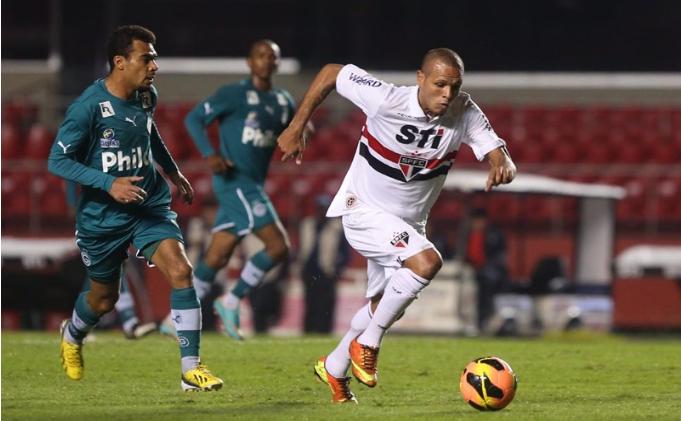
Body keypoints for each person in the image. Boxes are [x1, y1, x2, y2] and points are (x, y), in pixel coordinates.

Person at [278, 48, 516, 403]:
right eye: (439, 85)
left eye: (454, 86)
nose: (446, 94)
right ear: (420, 78)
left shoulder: (463, 109)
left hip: (408, 225)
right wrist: (296, 125)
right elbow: (331, 71)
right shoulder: (385, 98)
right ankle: (369, 344)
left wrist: (503, 164)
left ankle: (335, 365)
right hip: (363, 212)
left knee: (382, 304)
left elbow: (496, 151)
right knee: (427, 263)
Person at [48, 25, 223, 391]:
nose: (154, 66)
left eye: (154, 58)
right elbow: (57, 162)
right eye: (147, 58)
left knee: (180, 270)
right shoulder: (88, 107)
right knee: (103, 298)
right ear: (120, 62)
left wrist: (173, 171)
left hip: (148, 205)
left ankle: (191, 370)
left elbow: (148, 132)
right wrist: (108, 182)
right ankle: (73, 334)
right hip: (102, 218)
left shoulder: (146, 95)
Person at [164, 39, 311, 341]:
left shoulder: (283, 100)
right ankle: (231, 301)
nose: (266, 60)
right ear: (249, 61)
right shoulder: (233, 94)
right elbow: (194, 119)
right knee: (278, 246)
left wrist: (300, 133)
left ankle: (173, 319)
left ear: (277, 63)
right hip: (235, 181)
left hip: (252, 183)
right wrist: (209, 153)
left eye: (272, 56)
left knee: (217, 256)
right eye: (260, 55)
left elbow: (296, 128)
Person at [67, 181, 157, 340]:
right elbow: (71, 175)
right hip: (93, 213)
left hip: (113, 211)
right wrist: (73, 203)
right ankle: (125, 322)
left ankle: (127, 322)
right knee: (104, 266)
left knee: (111, 265)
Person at [299, 194, 350, 333]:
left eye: (324, 208)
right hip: (309, 271)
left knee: (326, 305)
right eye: (320, 208)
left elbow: (344, 253)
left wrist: (337, 270)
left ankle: (324, 331)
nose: (322, 211)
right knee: (310, 303)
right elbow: (302, 247)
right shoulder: (307, 224)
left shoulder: (337, 227)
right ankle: (308, 330)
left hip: (327, 271)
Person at [464, 208, 509, 333]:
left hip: (488, 272)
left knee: (485, 285)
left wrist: (485, 268)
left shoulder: (493, 234)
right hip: (469, 271)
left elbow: (499, 257)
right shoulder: (466, 235)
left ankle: (484, 319)